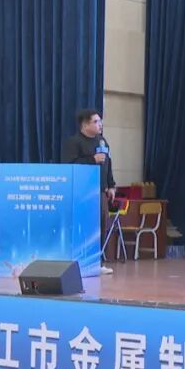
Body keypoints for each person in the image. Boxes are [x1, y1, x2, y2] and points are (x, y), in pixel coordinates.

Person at [61, 109, 116, 274]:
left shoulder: (102, 142)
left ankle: (96, 263)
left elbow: (108, 165)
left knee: (100, 227)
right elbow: (69, 165)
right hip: (81, 194)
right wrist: (92, 160)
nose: (100, 125)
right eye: (96, 122)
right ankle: (78, 263)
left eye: (100, 121)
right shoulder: (73, 142)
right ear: (85, 125)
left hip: (100, 192)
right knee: (83, 228)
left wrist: (111, 185)